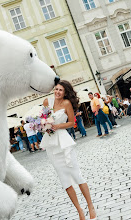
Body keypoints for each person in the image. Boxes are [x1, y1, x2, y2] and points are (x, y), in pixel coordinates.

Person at [40, 80, 96, 220]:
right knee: (64, 179)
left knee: (77, 175)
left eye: (61, 90)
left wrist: (57, 126)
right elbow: (43, 118)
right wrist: (44, 126)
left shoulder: (66, 103)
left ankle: (90, 206)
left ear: (65, 92)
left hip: (64, 142)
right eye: (56, 89)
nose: (57, 92)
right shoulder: (47, 101)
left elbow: (71, 122)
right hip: (51, 144)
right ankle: (79, 211)